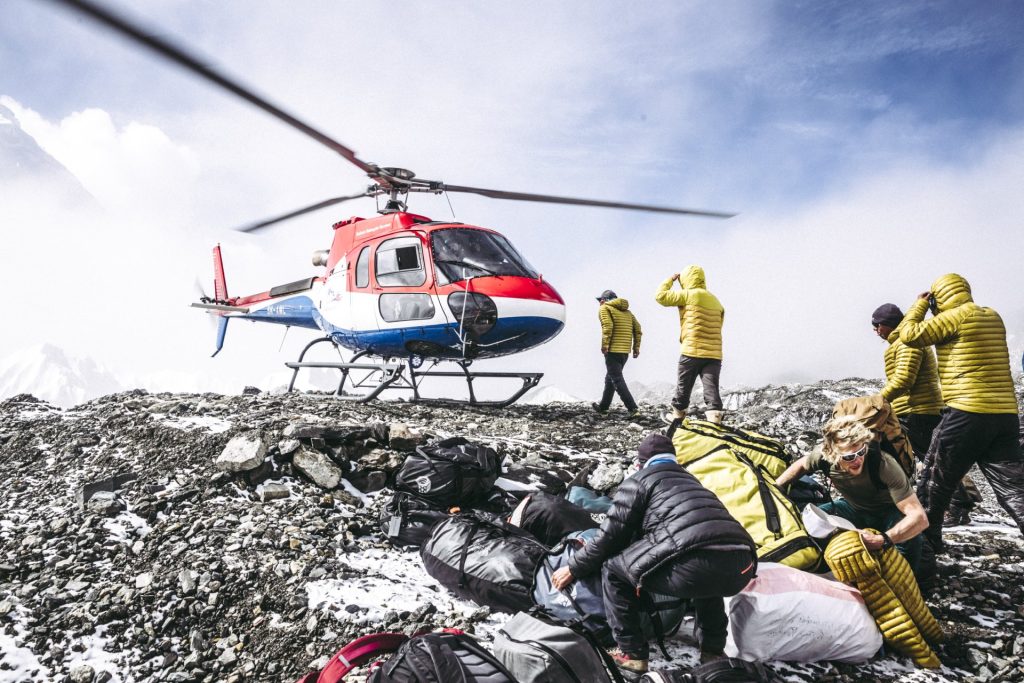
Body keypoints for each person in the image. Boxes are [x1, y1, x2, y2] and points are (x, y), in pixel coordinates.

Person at [551, 433, 756, 675]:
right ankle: (712, 651)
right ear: (673, 459)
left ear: (641, 462)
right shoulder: (693, 481)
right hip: (742, 561)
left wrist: (573, 567)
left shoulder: (640, 480)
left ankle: (632, 654)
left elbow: (609, 538)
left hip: (696, 560)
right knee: (708, 575)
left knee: (614, 569)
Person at [898, 273, 1024, 552]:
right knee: (1014, 488)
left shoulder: (957, 316)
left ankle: (927, 548)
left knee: (934, 481)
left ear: (939, 297)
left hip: (967, 411)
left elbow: (910, 335)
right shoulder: (992, 315)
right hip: (1004, 415)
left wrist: (919, 306)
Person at [872, 303, 980, 526]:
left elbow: (904, 379)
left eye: (877, 325)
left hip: (917, 412)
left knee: (932, 461)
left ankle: (959, 505)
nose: (875, 330)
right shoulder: (901, 342)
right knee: (921, 458)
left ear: (887, 324)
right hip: (913, 410)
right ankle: (955, 499)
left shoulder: (906, 343)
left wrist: (876, 402)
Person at [775, 416, 928, 571]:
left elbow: (919, 517)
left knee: (910, 543)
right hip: (853, 508)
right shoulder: (823, 457)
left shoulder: (884, 465)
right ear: (832, 453)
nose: (857, 460)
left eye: (861, 451)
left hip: (889, 512)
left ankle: (907, 582)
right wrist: (776, 488)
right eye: (849, 457)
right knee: (807, 522)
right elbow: (802, 464)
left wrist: (884, 539)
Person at [655, 265, 725, 424]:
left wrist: (670, 280)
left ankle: (677, 416)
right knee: (711, 387)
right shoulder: (716, 301)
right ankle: (715, 419)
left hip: (692, 350)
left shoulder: (687, 295)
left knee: (684, 385)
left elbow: (660, 296)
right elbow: (719, 325)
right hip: (714, 353)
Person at [593, 290, 641, 416]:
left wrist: (605, 345)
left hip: (613, 350)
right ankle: (604, 406)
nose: (599, 303)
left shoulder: (605, 308)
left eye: (600, 300)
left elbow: (607, 326)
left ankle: (633, 409)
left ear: (604, 300)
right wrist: (636, 348)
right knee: (610, 378)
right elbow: (638, 330)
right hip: (625, 352)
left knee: (617, 379)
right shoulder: (628, 312)